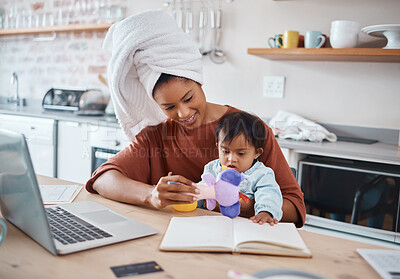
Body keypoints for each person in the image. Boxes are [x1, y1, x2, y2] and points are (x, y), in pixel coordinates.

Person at [85, 10, 306, 227]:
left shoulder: (249, 129)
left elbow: (295, 208)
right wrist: (151, 194)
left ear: (199, 81)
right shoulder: (156, 136)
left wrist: (236, 202)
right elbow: (103, 179)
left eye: (188, 97)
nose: (183, 113)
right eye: (169, 106)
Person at [198, 111, 283, 226]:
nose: (231, 159)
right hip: (214, 223)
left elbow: (269, 194)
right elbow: (201, 190)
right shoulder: (212, 168)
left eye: (241, 153)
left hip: (246, 225)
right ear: (218, 146)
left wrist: (265, 212)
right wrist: (189, 195)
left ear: (256, 153)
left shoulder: (262, 174)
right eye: (225, 151)